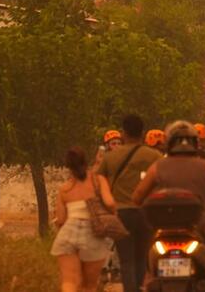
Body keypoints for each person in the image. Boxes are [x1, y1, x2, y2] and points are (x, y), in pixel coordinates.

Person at [133, 121, 205, 292]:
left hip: (162, 231)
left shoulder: (157, 167)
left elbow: (137, 196)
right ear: (196, 143)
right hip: (201, 229)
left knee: (149, 270)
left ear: (168, 144)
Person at [97, 115, 163, 292]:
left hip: (121, 214)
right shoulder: (154, 155)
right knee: (141, 257)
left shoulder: (110, 157)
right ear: (142, 133)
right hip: (145, 213)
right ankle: (141, 287)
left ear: (123, 133)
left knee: (126, 259)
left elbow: (98, 178)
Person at [51, 147, 116, 292]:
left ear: (68, 166)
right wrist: (112, 215)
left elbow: (61, 219)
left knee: (69, 282)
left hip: (67, 234)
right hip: (92, 235)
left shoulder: (65, 188)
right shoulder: (98, 180)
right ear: (86, 162)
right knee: (89, 286)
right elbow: (110, 203)